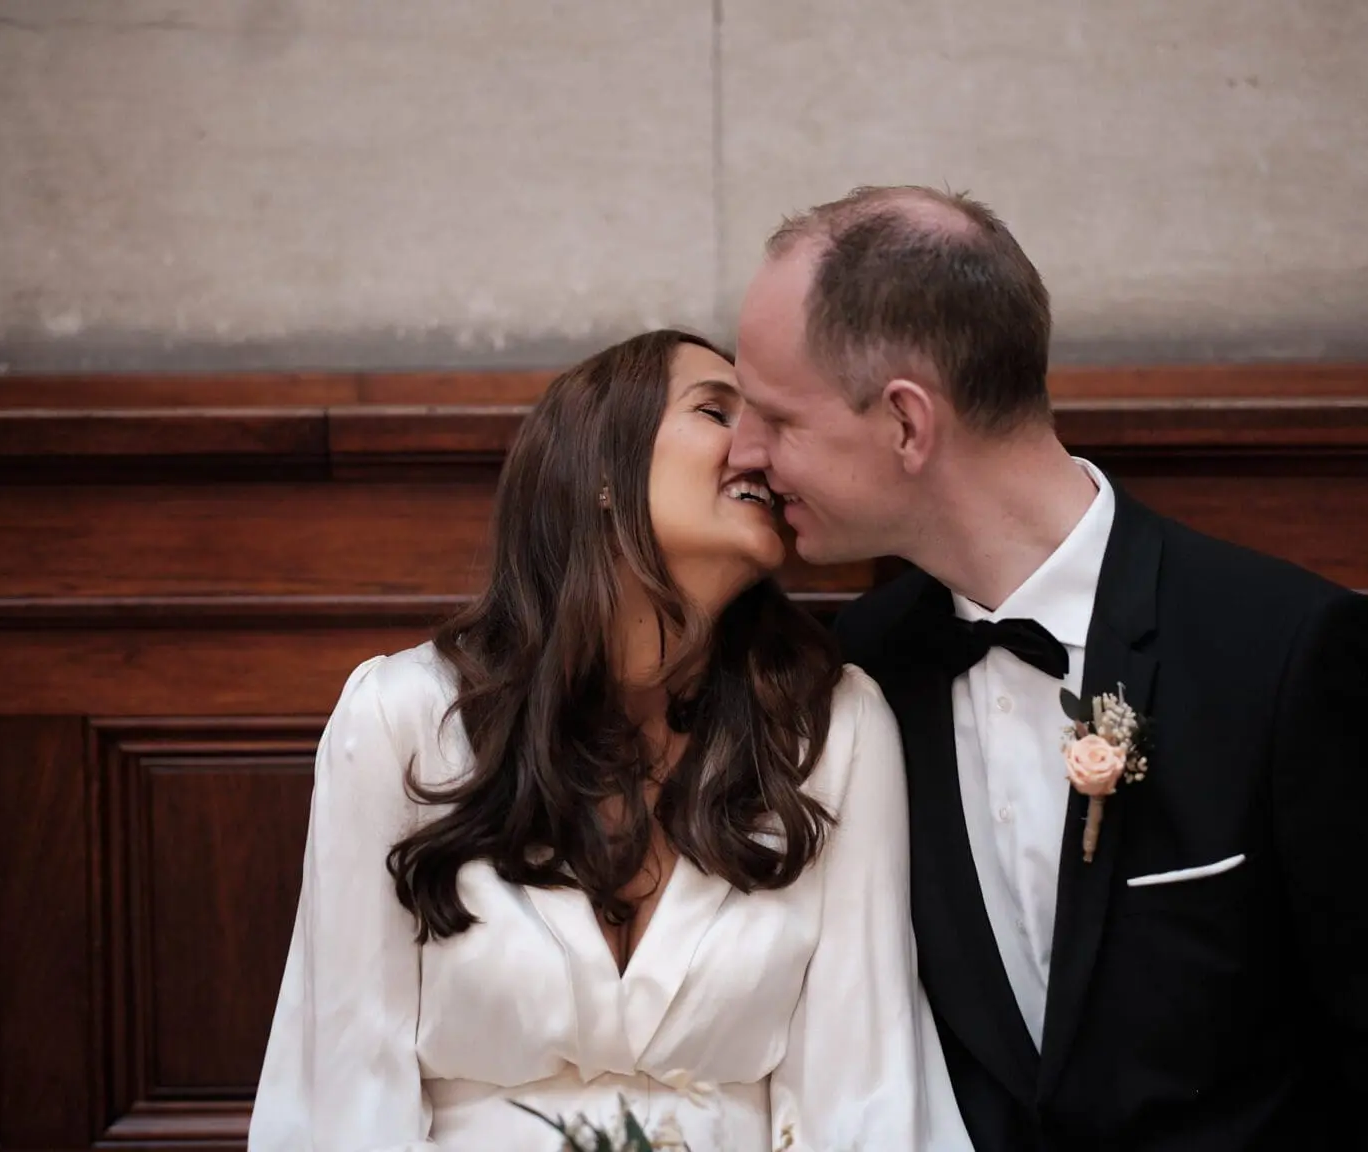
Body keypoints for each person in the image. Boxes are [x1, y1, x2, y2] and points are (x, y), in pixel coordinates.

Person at [727, 185, 1368, 1149]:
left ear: (907, 425)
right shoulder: (859, 675)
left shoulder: (1288, 654)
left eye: (775, 418)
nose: (742, 454)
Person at [248, 329, 971, 1151]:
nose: (764, 453)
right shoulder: (401, 715)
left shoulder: (833, 726)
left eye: (774, 424)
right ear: (600, 470)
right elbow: (346, 1081)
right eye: (717, 411)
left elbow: (864, 1082)